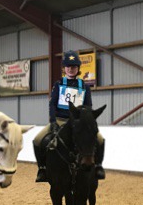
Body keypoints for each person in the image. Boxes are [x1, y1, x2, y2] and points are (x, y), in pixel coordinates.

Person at [33, 50, 105, 183]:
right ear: (64, 68)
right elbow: (52, 104)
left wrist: (85, 121)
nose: (71, 69)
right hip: (60, 121)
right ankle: (42, 169)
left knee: (100, 139)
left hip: (77, 123)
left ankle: (98, 167)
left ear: (78, 68)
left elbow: (88, 106)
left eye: (74, 67)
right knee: (37, 140)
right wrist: (53, 121)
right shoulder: (58, 84)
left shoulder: (84, 86)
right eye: (68, 67)